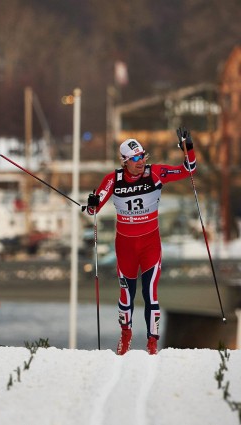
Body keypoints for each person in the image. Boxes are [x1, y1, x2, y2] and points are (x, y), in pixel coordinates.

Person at [82, 128, 196, 355]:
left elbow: (189, 170)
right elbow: (93, 210)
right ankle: (125, 337)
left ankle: (152, 343)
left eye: (143, 156)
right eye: (135, 158)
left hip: (150, 244)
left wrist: (188, 149)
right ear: (124, 161)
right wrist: (92, 202)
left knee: (150, 294)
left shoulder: (156, 173)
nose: (141, 161)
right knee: (126, 294)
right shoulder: (113, 179)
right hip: (125, 247)